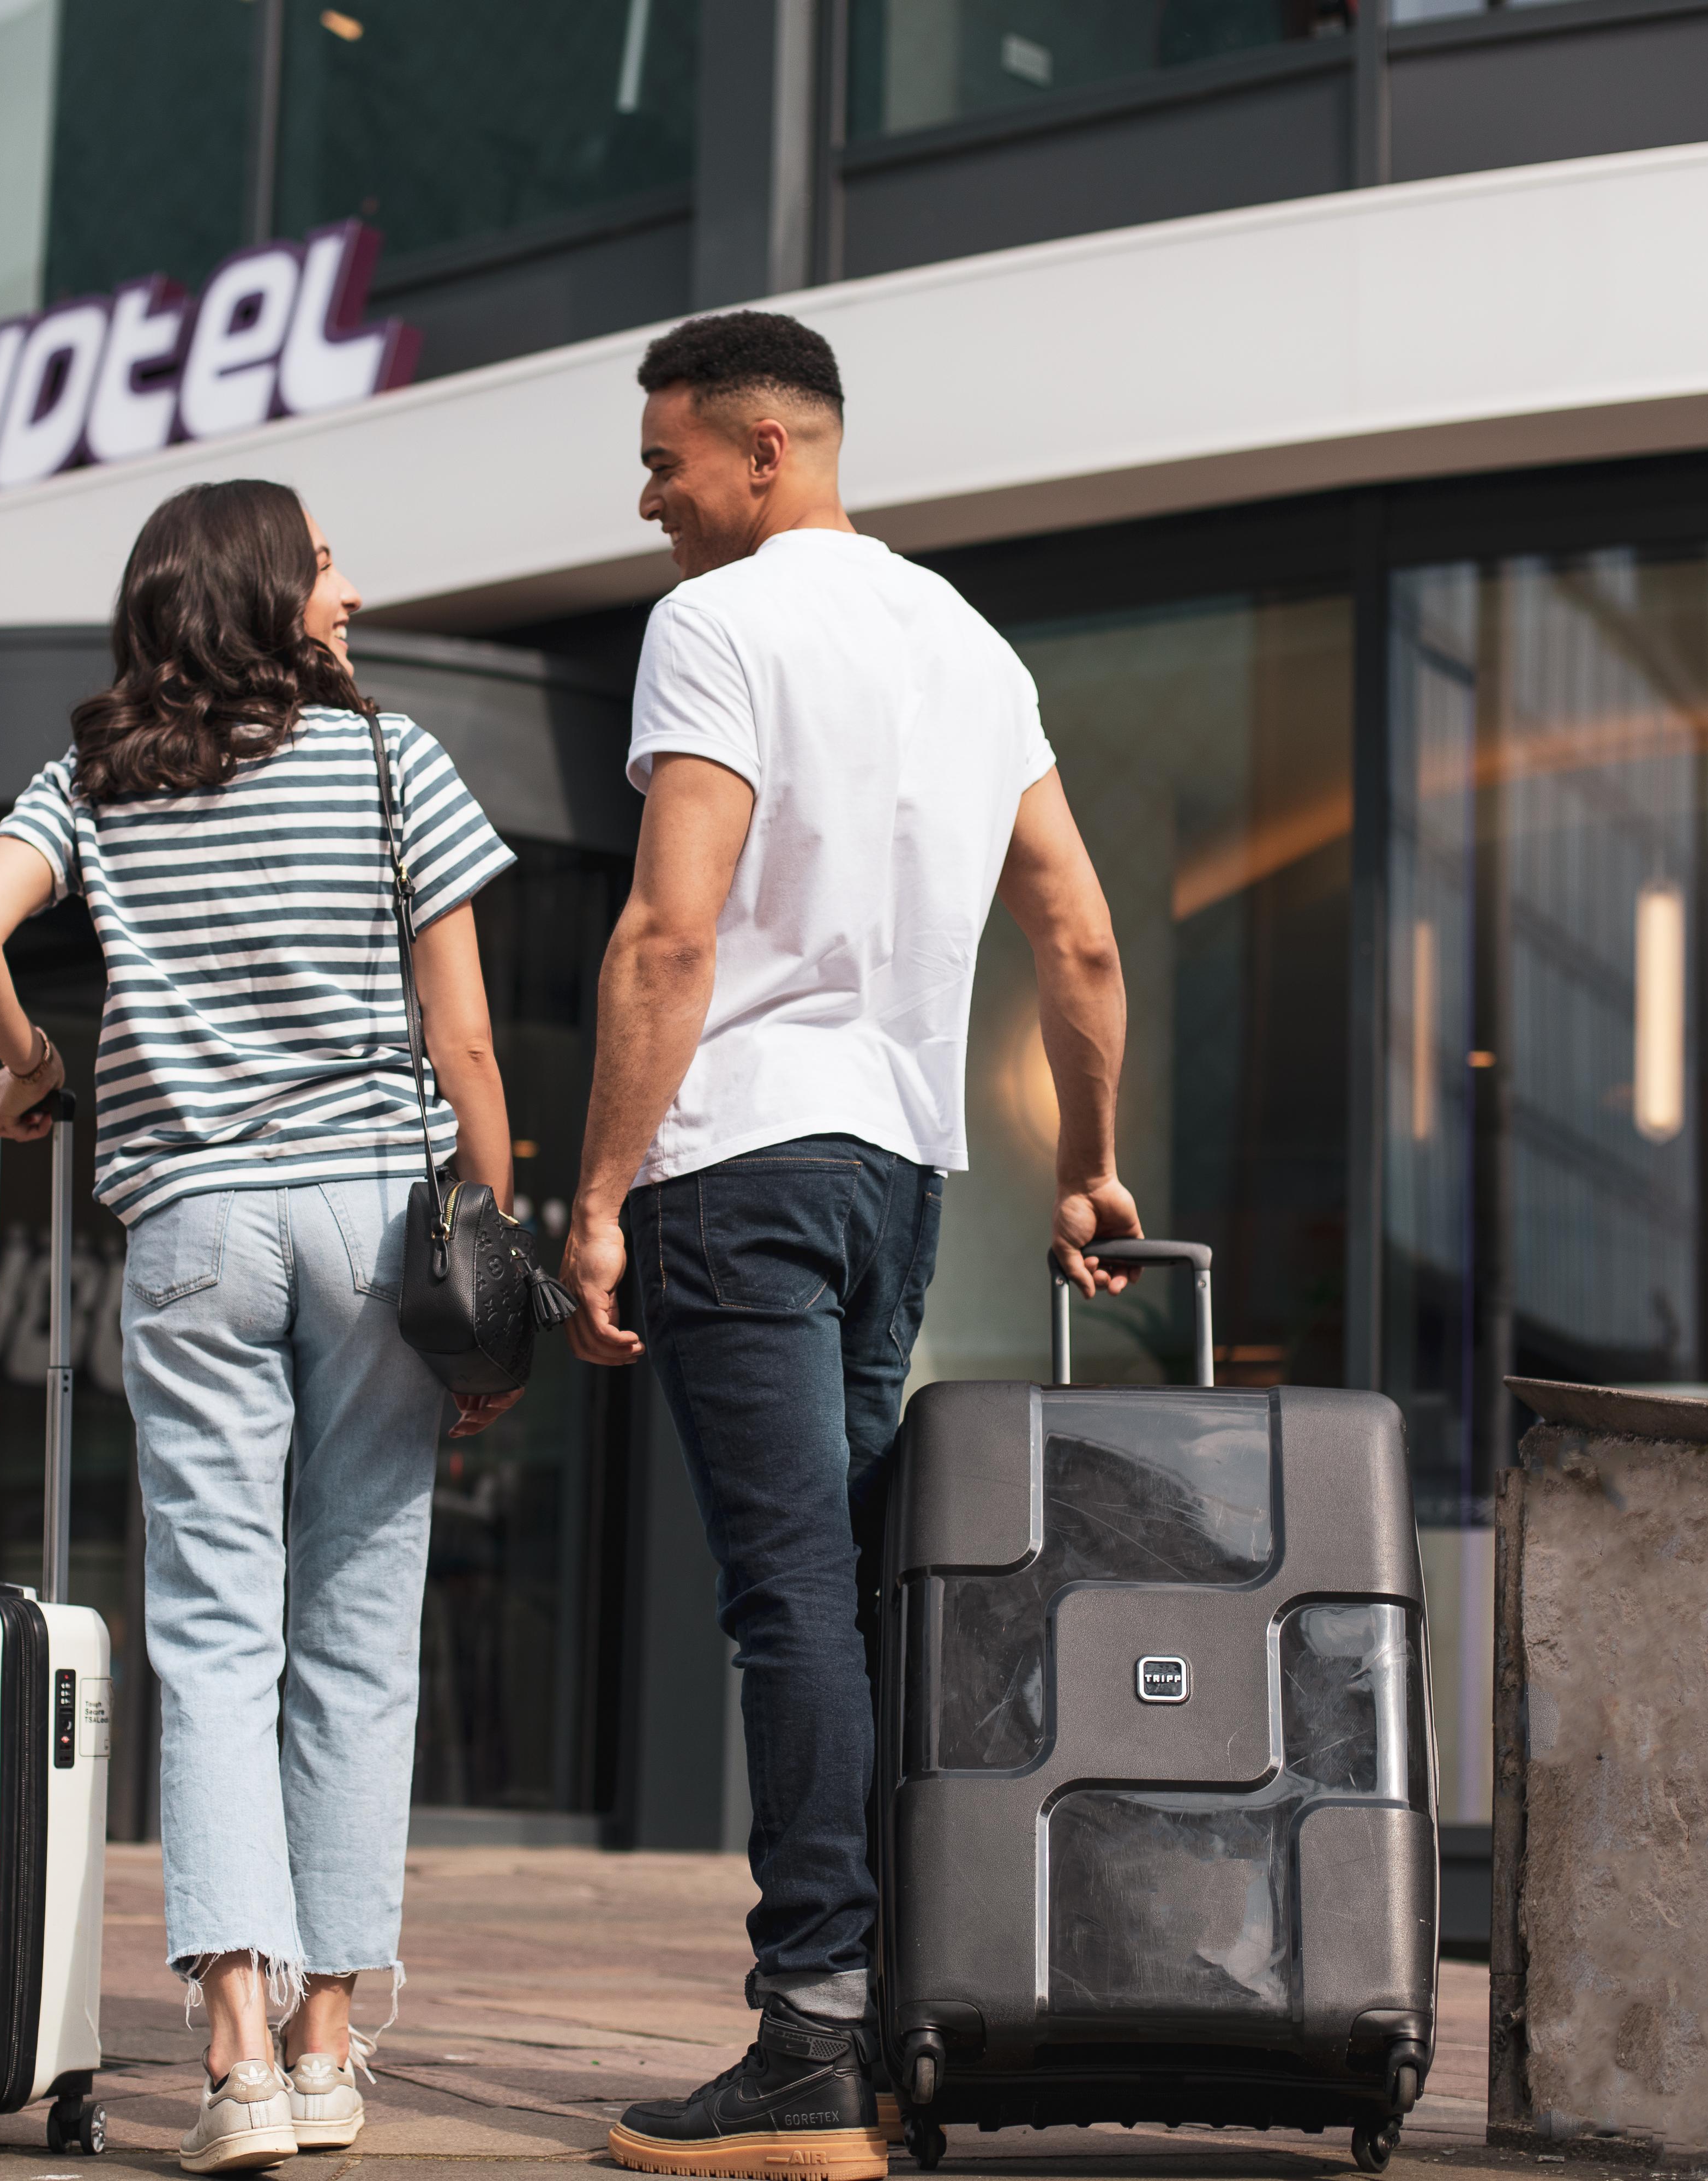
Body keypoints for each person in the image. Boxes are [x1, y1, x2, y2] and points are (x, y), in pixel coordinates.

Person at [561, 312, 1141, 2181]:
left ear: (761, 450)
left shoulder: (718, 627)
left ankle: (814, 2030)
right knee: (862, 1587)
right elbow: (1082, 943)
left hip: (738, 1160)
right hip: (902, 1174)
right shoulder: (970, 646)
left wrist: (593, 1198)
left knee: (791, 1595)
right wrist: (1092, 1165)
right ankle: (900, 2007)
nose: (649, 500)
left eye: (665, 462)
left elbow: (670, 937)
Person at [0, 479, 522, 2176]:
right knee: (358, 1629)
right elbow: (466, 1047)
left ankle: (237, 2056)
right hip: (373, 1224)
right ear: (265, 592)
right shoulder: (398, 766)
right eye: (330, 564)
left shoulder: (93, 786)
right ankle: (335, 2046)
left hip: (192, 1229)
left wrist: (36, 1067)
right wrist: (488, 1264)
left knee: (210, 1632)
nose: (352, 589)